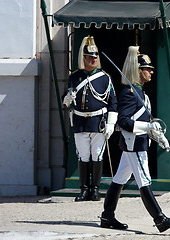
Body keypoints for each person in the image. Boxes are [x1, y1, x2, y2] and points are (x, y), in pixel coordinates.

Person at [100, 46, 170, 232]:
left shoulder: (141, 94)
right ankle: (160, 219)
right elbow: (124, 122)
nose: (151, 72)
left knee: (119, 179)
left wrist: (159, 136)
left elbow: (147, 120)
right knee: (144, 181)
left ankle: (107, 216)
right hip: (134, 144)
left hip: (138, 142)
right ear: (138, 71)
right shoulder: (129, 93)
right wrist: (148, 127)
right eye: (147, 69)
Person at [63, 36, 118, 202]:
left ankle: (95, 189)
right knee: (83, 156)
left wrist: (110, 124)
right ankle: (83, 189)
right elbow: (64, 102)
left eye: (95, 57)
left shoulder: (104, 77)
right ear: (84, 58)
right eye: (90, 57)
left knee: (97, 155)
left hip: (98, 122)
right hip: (80, 121)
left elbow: (112, 102)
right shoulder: (75, 77)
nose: (93, 60)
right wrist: (67, 98)